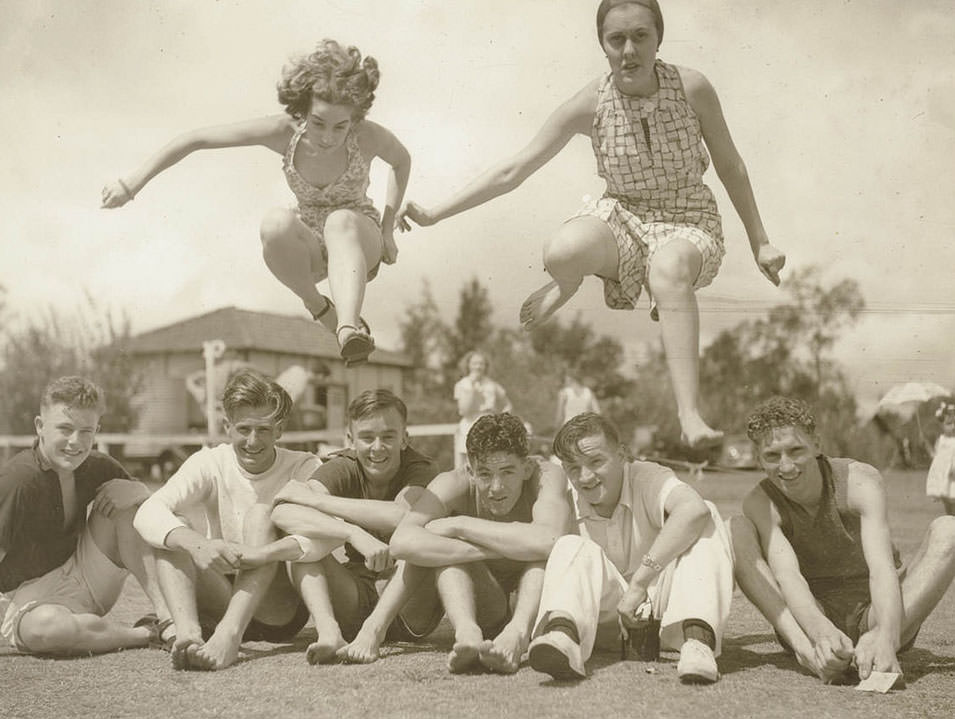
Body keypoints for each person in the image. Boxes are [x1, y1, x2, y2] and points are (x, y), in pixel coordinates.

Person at [399, 0, 785, 448]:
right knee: (561, 251)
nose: (628, 50)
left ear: (659, 37)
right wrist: (435, 212)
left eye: (640, 36)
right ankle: (566, 285)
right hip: (621, 214)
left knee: (668, 270)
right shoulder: (590, 102)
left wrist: (761, 242)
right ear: (601, 44)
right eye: (615, 39)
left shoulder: (693, 88)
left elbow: (731, 165)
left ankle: (689, 415)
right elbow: (515, 169)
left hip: (687, 218)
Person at [102, 39, 411, 367]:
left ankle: (348, 328)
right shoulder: (282, 132)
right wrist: (131, 183)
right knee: (274, 224)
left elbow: (402, 162)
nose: (328, 137)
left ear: (355, 117)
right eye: (318, 122)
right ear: (302, 108)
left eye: (340, 126)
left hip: (358, 239)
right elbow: (195, 139)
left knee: (339, 222)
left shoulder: (368, 136)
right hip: (312, 242)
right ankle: (318, 306)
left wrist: (388, 228)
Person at [731, 396, 955, 684]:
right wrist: (819, 633)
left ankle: (881, 645)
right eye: (773, 456)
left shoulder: (859, 481)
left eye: (796, 450)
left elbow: (882, 567)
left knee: (949, 528)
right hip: (811, 615)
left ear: (817, 445)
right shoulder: (760, 502)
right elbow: (789, 577)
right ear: (759, 459)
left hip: (880, 610)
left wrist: (886, 634)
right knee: (735, 528)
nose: (786, 466)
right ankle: (808, 653)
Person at [133, 369, 321, 671]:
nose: (252, 440)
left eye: (263, 430)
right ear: (227, 426)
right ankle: (189, 635)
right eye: (243, 429)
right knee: (172, 528)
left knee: (261, 515)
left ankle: (229, 634)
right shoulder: (210, 461)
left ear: (280, 429)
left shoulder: (304, 465)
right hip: (223, 594)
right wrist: (197, 545)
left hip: (278, 609)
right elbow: (148, 511)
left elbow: (322, 536)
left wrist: (263, 553)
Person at [527, 413, 734, 684]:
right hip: (604, 618)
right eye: (573, 467)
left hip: (667, 607)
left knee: (707, 512)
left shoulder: (646, 475)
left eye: (596, 461)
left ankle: (697, 644)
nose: (585, 476)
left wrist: (639, 584)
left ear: (622, 454)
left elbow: (693, 510)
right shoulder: (564, 497)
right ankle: (563, 637)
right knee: (569, 545)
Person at [390, 412, 573, 674]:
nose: (496, 487)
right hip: (487, 604)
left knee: (540, 553)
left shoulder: (546, 475)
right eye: (485, 474)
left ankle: (517, 634)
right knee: (444, 548)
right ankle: (467, 633)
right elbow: (401, 543)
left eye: (507, 472)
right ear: (471, 471)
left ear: (527, 466)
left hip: (533, 608)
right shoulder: (453, 482)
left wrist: (460, 524)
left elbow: (550, 540)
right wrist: (489, 549)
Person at [0, 376, 172, 656]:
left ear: (97, 431)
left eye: (86, 431)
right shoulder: (18, 479)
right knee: (48, 629)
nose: (75, 442)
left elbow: (161, 512)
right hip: (26, 599)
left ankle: (170, 619)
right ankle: (146, 633)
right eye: (65, 429)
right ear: (40, 427)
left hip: (85, 574)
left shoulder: (97, 465)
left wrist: (140, 490)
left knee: (127, 499)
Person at [269, 389, 443, 664]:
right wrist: (352, 532)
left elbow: (402, 515)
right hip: (355, 593)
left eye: (388, 436)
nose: (377, 447)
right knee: (299, 542)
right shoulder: (344, 466)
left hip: (407, 599)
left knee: (426, 538)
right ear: (350, 440)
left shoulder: (421, 467)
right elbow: (283, 512)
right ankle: (329, 632)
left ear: (405, 438)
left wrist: (316, 501)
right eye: (366, 437)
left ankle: (375, 628)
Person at [453, 351, 512, 470]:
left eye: (481, 363)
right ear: (468, 364)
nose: (478, 367)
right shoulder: (463, 384)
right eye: (475, 363)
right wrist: (473, 387)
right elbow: (464, 410)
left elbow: (507, 405)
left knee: (489, 463)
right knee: (467, 465)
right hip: (469, 425)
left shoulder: (492, 384)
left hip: (489, 426)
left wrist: (501, 421)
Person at [925, 400, 955, 515]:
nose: (953, 427)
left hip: (953, 476)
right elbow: (935, 457)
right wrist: (927, 446)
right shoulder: (941, 440)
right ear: (942, 425)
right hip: (944, 478)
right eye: (949, 423)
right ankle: (950, 525)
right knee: (948, 503)